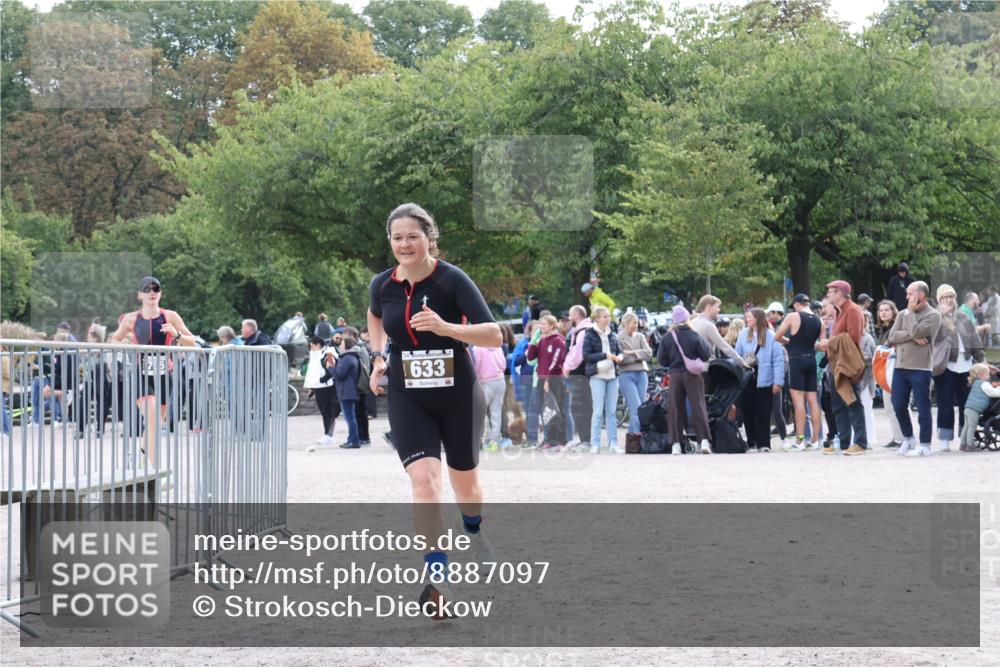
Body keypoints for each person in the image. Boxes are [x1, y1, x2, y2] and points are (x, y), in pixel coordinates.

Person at [366, 202, 501, 618]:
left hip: (458, 394)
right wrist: (378, 358)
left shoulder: (452, 279)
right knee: (424, 481)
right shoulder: (382, 284)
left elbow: (495, 335)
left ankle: (475, 534)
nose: (404, 244)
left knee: (467, 490)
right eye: (397, 237)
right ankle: (436, 577)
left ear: (429, 238)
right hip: (409, 395)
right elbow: (374, 317)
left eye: (412, 236)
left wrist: (447, 328)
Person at [110, 276, 197, 461]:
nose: (152, 293)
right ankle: (153, 469)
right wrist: (128, 347)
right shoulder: (130, 319)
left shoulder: (170, 316)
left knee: (156, 423)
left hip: (166, 374)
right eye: (147, 290)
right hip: (140, 374)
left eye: (155, 289)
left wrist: (177, 334)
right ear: (139, 295)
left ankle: (142, 451)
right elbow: (115, 339)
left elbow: (192, 342)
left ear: (160, 294)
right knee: (151, 415)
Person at [887, 281, 942, 457]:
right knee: (898, 404)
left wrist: (910, 316)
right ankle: (908, 438)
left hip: (921, 367)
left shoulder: (933, 315)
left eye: (910, 294)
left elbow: (920, 332)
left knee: (923, 407)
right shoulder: (903, 313)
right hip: (900, 366)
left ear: (920, 295)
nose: (906, 297)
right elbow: (892, 336)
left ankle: (925, 444)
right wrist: (912, 336)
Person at [815, 280, 869, 456]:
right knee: (838, 405)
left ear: (839, 293)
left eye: (831, 291)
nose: (828, 295)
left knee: (852, 401)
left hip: (846, 364)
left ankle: (860, 442)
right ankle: (844, 442)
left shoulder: (853, 310)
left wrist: (828, 342)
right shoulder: (840, 311)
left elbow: (852, 339)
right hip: (835, 363)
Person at [932, 284, 985, 452]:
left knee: (967, 405)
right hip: (946, 366)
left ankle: (966, 439)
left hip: (966, 366)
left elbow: (974, 339)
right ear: (939, 299)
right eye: (944, 297)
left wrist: (981, 360)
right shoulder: (935, 317)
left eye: (951, 296)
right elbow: (931, 337)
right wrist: (940, 315)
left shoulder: (963, 316)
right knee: (945, 404)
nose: (948, 300)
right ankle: (945, 439)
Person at [657, 305, 712, 455]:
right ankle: (704, 441)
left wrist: (673, 363)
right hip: (692, 375)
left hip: (675, 375)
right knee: (698, 407)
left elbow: (661, 359)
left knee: (675, 409)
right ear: (687, 319)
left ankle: (676, 444)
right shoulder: (694, 335)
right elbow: (706, 355)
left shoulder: (667, 337)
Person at [774, 294, 822, 451]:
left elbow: (777, 336)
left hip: (797, 360)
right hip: (811, 360)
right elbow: (820, 345)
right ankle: (815, 439)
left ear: (796, 304)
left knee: (798, 402)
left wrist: (790, 342)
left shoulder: (793, 316)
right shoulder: (818, 320)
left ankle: (800, 440)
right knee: (813, 401)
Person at [735, 308, 784, 453]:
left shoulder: (770, 335)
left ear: (758, 318)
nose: (747, 319)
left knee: (763, 412)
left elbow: (778, 360)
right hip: (747, 378)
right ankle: (751, 441)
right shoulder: (744, 334)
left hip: (765, 378)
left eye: (750, 317)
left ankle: (764, 443)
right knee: (748, 412)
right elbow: (737, 354)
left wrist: (778, 381)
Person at [582, 305, 624, 453]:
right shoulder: (590, 334)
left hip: (613, 376)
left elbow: (619, 352)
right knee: (598, 411)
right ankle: (595, 444)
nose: (608, 318)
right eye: (605, 316)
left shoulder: (612, 334)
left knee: (612, 411)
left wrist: (619, 357)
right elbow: (586, 356)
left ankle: (613, 443)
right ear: (598, 318)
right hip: (597, 376)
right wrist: (605, 355)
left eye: (608, 316)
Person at [526, 314, 567, 448]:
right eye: (540, 324)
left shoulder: (558, 340)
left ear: (551, 326)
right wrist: (533, 340)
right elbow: (531, 357)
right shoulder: (541, 340)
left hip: (554, 379)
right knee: (546, 411)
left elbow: (556, 361)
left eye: (543, 324)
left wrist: (548, 380)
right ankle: (548, 439)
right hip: (541, 379)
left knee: (556, 409)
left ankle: (560, 440)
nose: (540, 326)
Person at [873, 300, 905, 448]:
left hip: (896, 370)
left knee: (900, 406)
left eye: (887, 310)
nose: (883, 312)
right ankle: (898, 438)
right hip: (885, 371)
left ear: (893, 312)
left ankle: (906, 437)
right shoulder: (881, 330)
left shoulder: (896, 328)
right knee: (889, 408)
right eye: (881, 310)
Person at [563, 304, 594, 452]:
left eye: (570, 314)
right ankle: (585, 439)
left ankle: (585, 441)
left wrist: (568, 367)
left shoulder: (582, 330)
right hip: (585, 373)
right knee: (584, 407)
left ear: (576, 315)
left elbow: (577, 353)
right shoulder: (588, 328)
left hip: (579, 373)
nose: (569, 317)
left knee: (579, 407)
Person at [617, 311, 653, 434]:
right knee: (636, 407)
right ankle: (638, 435)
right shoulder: (618, 338)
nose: (636, 325)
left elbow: (649, 354)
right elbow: (620, 359)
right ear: (626, 323)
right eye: (633, 322)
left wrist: (631, 353)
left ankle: (632, 438)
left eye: (637, 322)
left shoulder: (640, 337)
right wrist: (639, 355)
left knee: (641, 408)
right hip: (626, 375)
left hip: (642, 374)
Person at [471, 338, 508, 451]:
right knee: (496, 413)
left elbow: (475, 366)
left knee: (479, 412)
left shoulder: (478, 347)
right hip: (499, 380)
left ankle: (478, 440)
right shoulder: (497, 346)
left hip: (484, 383)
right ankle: (494, 441)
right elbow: (503, 365)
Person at [690, 295, 747, 366]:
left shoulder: (691, 323)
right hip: (706, 367)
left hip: (692, 367)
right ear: (708, 307)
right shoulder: (708, 325)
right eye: (717, 307)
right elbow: (723, 346)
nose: (719, 310)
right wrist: (741, 361)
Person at [304, 337, 338, 446]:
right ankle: (328, 435)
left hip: (326, 388)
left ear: (318, 344)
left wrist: (321, 380)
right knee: (325, 412)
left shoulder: (327, 353)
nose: (311, 348)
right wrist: (312, 388)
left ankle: (328, 435)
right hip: (319, 387)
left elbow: (331, 369)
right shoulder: (316, 355)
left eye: (312, 346)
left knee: (328, 412)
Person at [510, 321, 540, 446]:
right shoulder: (523, 343)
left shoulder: (546, 341)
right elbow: (515, 361)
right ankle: (532, 438)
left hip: (542, 379)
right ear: (529, 331)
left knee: (544, 409)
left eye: (541, 328)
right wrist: (526, 353)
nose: (539, 331)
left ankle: (549, 438)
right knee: (529, 410)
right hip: (527, 380)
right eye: (536, 329)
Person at [331, 334, 362, 449]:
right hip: (350, 391)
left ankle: (354, 441)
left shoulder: (347, 358)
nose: (340, 345)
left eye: (342, 343)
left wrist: (331, 367)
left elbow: (339, 375)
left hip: (346, 391)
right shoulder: (352, 357)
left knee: (350, 417)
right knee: (351, 416)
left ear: (347, 345)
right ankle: (352, 439)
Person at [960, 363, 1000, 452]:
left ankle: (963, 444)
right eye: (988, 374)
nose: (989, 376)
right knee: (972, 427)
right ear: (981, 375)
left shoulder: (976, 383)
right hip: (974, 410)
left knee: (966, 427)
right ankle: (970, 445)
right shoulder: (984, 384)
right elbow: (993, 393)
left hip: (968, 409)